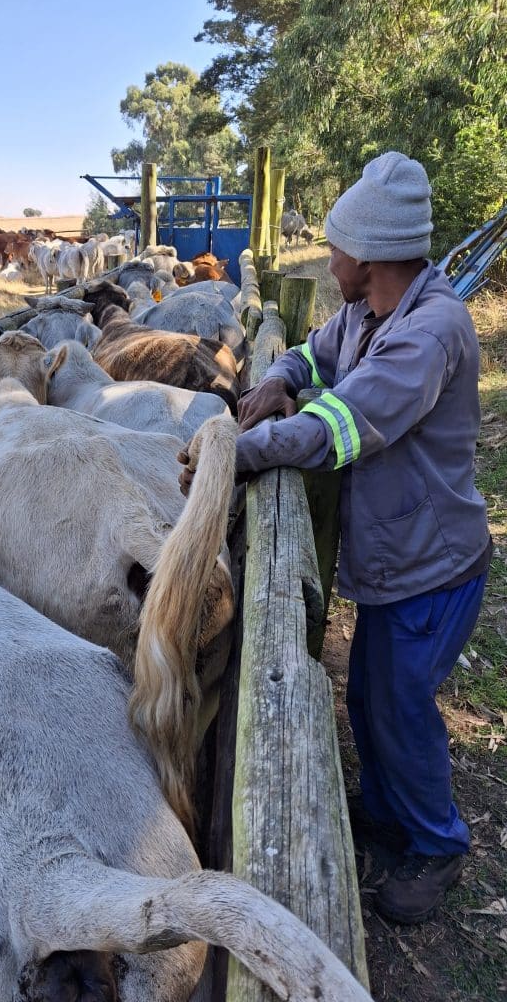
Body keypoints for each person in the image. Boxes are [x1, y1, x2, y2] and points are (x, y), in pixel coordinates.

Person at [180, 151, 491, 924]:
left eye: (336, 247)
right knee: (369, 693)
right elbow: (306, 355)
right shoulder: (362, 314)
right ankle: (388, 811)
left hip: (432, 562)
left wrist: (230, 454)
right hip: (397, 552)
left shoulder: (428, 334)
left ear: (370, 255)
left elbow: (331, 433)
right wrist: (279, 376)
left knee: (397, 701)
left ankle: (435, 844)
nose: (328, 258)